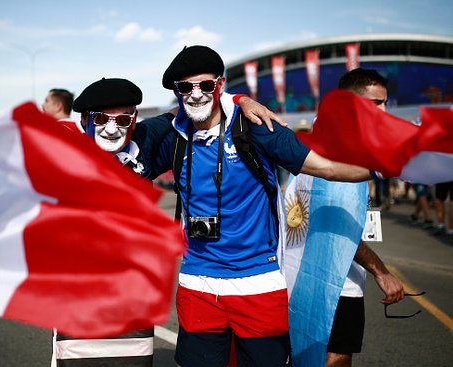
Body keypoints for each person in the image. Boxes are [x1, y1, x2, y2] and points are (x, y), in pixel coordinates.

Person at [157, 45, 375, 367]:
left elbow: (327, 168)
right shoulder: (171, 135)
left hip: (258, 283)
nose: (196, 94)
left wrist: (391, 166)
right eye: (185, 87)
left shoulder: (256, 127)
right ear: (177, 91)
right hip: (197, 285)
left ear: (220, 84)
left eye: (205, 85)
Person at [52, 77, 286, 366]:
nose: (112, 127)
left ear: (134, 119)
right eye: (100, 118)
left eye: (123, 118)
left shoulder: (143, 141)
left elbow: (193, 108)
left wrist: (239, 100)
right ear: (85, 119)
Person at [324, 68, 405, 367]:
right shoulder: (334, 151)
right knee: (336, 359)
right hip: (332, 281)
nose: (383, 110)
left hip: (333, 276)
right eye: (374, 104)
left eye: (385, 102)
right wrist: (381, 272)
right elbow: (338, 227)